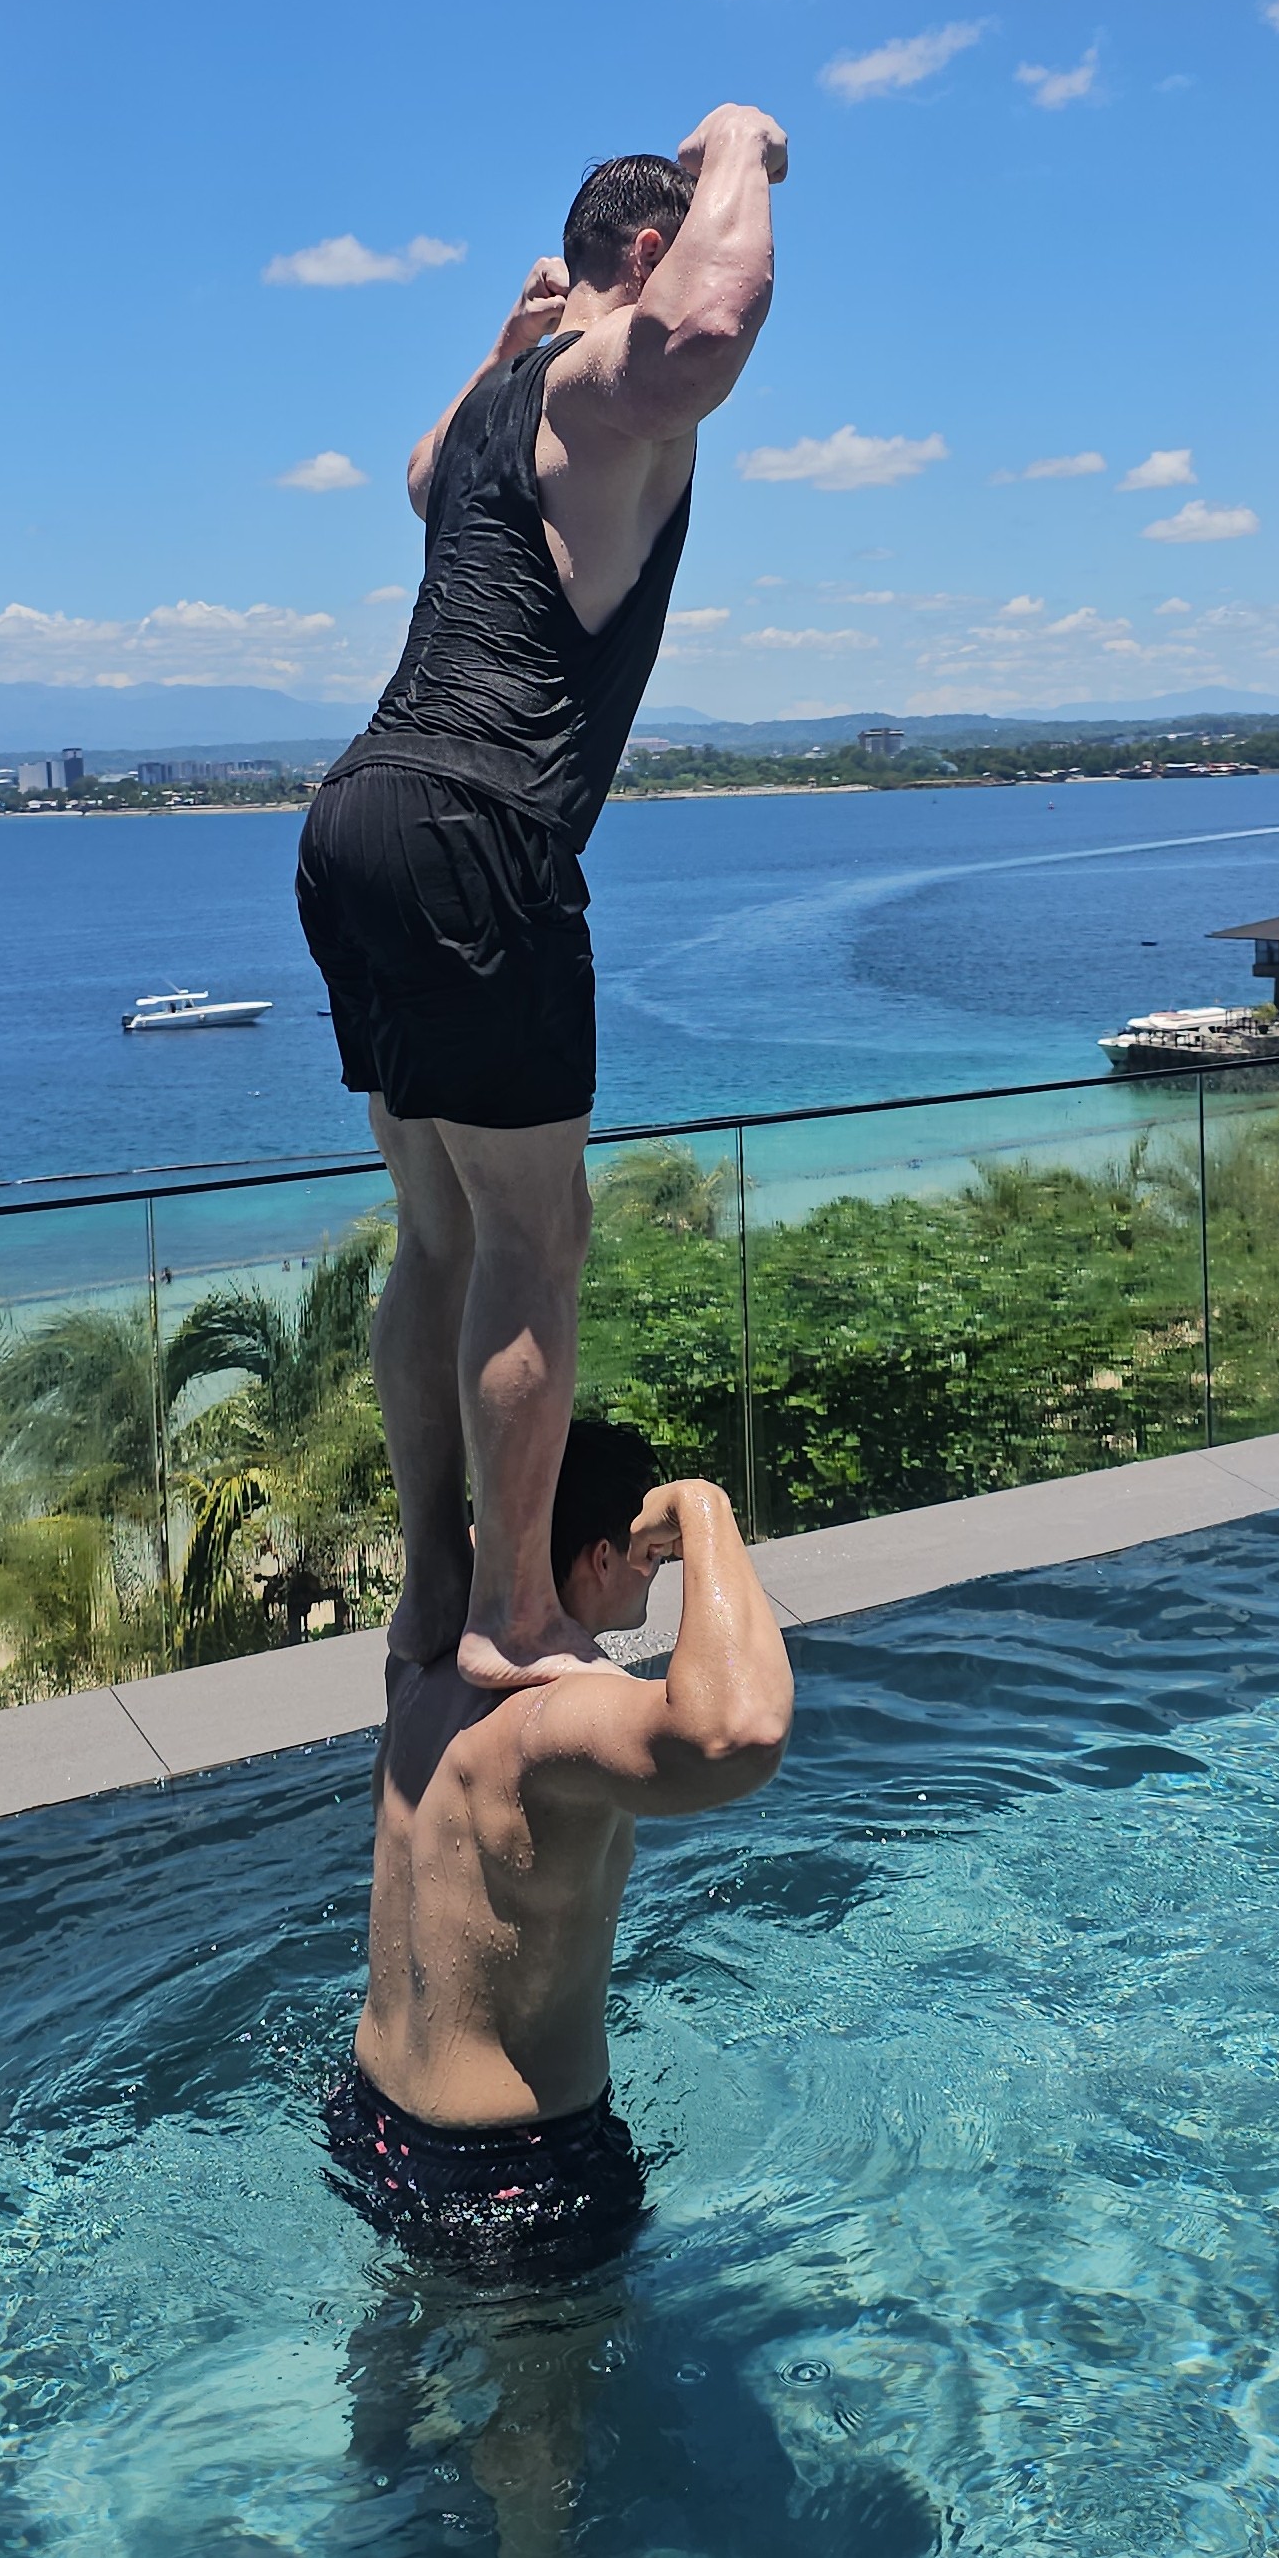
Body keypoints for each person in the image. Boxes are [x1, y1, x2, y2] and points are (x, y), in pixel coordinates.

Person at [296, 107, 786, 1692]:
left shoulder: (504, 396)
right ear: (645, 249)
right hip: (478, 830)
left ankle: (432, 1596)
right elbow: (703, 334)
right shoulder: (594, 383)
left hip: (357, 815)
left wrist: (500, 338)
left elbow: (418, 474)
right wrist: (738, 148)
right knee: (536, 1230)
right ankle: (515, 1612)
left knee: (439, 1231)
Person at [322, 1418, 793, 2558]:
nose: (649, 1583)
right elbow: (737, 1727)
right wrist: (705, 1511)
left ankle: (377, 2475)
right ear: (596, 1554)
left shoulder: (422, 1665)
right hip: (512, 2167)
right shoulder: (552, 1719)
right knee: (544, 2401)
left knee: (405, 2294)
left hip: (376, 2121)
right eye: (638, 1560)